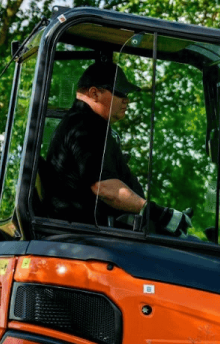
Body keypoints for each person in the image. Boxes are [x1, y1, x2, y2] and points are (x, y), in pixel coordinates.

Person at [44, 60, 191, 234]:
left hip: (95, 233)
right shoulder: (85, 126)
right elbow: (104, 188)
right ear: (94, 93)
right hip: (88, 238)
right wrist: (160, 214)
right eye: (120, 93)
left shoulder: (86, 123)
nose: (126, 100)